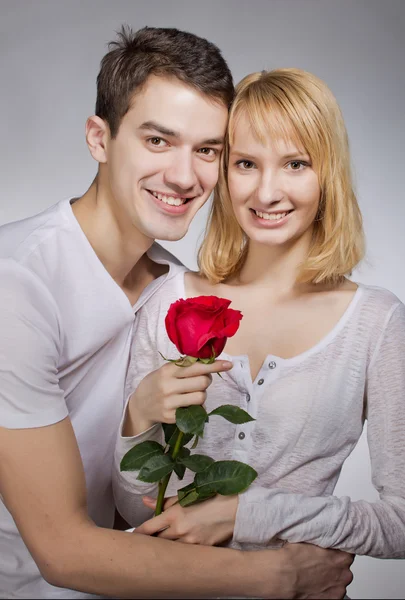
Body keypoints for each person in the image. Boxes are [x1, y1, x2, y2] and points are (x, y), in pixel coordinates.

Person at [0, 26, 353, 600]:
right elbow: (63, 551)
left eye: (208, 150)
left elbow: (139, 497)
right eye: (158, 141)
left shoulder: (175, 285)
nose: (185, 177)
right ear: (99, 138)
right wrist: (280, 575)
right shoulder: (18, 285)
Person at [113, 67, 405, 571]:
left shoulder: (376, 323)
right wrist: (137, 416)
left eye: (295, 164)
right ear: (224, 174)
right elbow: (129, 506)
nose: (267, 193)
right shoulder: (168, 298)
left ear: (327, 173)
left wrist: (248, 514)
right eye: (246, 162)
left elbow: (400, 524)